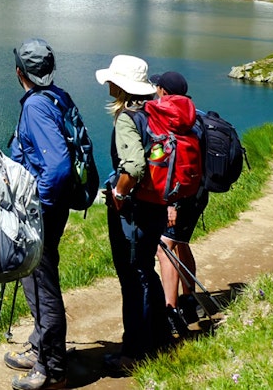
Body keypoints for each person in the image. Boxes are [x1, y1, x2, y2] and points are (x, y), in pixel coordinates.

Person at [2, 38, 72, 390]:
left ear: (20, 72)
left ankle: (53, 368)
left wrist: (35, 207)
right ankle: (39, 344)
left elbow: (57, 167)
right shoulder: (58, 96)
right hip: (53, 209)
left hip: (41, 212)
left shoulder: (36, 107)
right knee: (38, 278)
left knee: (40, 283)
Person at [95, 54, 171, 373]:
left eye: (113, 79)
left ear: (122, 86)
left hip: (135, 211)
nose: (109, 83)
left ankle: (135, 353)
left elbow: (135, 166)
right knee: (146, 270)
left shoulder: (128, 117)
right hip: (157, 205)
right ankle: (160, 340)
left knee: (132, 277)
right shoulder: (154, 112)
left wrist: (119, 194)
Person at [149, 71, 209, 335]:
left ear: (162, 91)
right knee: (182, 243)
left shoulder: (166, 119)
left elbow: (169, 164)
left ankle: (170, 312)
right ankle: (189, 300)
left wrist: (169, 202)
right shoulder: (197, 116)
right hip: (199, 191)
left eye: (157, 87)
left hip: (177, 194)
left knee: (165, 250)